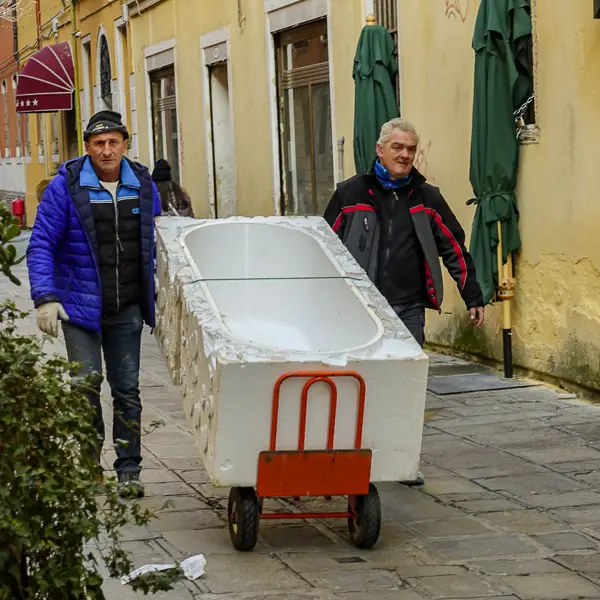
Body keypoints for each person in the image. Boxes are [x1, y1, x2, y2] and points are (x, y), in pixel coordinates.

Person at [324, 118, 485, 486]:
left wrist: (472, 295)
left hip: (407, 306)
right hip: (358, 308)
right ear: (380, 150)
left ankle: (401, 460)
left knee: (406, 383)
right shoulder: (350, 193)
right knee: (356, 380)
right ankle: (354, 453)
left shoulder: (427, 197)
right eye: (398, 147)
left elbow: (454, 248)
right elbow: (324, 246)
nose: (405, 155)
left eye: (411, 149)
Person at [26, 110, 161, 498]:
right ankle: (89, 470)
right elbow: (41, 244)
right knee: (84, 386)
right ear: (87, 147)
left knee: (127, 391)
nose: (106, 150)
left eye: (113, 142)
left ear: (125, 144)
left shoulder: (143, 185)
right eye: (98, 143)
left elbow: (159, 242)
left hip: (128, 307)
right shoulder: (65, 187)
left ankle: (128, 470)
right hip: (79, 309)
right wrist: (45, 298)